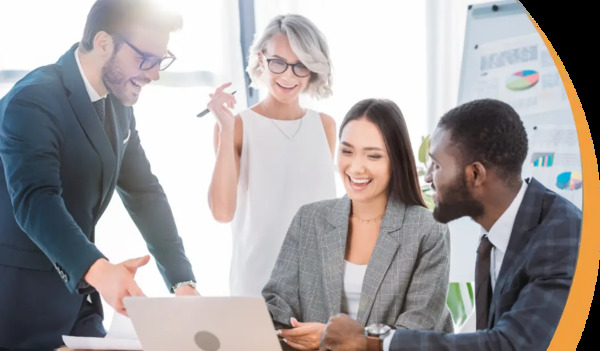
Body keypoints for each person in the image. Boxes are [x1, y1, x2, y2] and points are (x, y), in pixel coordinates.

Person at [0, 0, 199, 348]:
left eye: (161, 61)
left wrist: (182, 282)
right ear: (104, 42)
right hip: (19, 301)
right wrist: (101, 270)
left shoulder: (119, 107)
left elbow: (143, 191)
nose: (154, 74)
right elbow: (36, 200)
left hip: (79, 299)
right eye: (146, 59)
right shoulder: (32, 99)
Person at [319, 98, 582, 351]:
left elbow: (512, 345)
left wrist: (374, 341)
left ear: (475, 174)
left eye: (437, 165)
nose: (430, 177)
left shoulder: (562, 234)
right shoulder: (497, 233)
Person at [263, 99, 454, 351]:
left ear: (396, 160)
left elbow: (417, 330)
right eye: (347, 151)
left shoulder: (427, 229)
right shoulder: (309, 219)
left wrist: (338, 340)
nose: (355, 167)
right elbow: (277, 303)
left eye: (373, 155)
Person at [206, 14, 337, 297]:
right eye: (278, 62)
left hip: (316, 286)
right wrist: (225, 129)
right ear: (260, 59)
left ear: (312, 70)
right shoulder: (237, 126)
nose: (288, 76)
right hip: (256, 285)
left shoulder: (325, 126)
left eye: (300, 66)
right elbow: (222, 211)